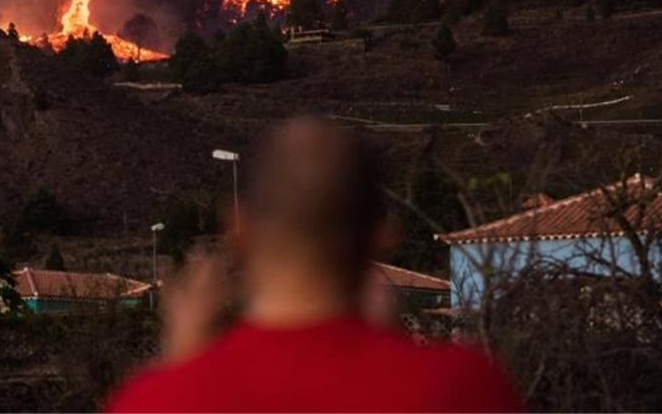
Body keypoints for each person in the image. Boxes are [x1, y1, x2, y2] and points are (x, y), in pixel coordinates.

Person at [107, 116, 523, 412]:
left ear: (238, 230)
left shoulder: (155, 401)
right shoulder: (463, 388)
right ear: (384, 235)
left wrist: (180, 367)